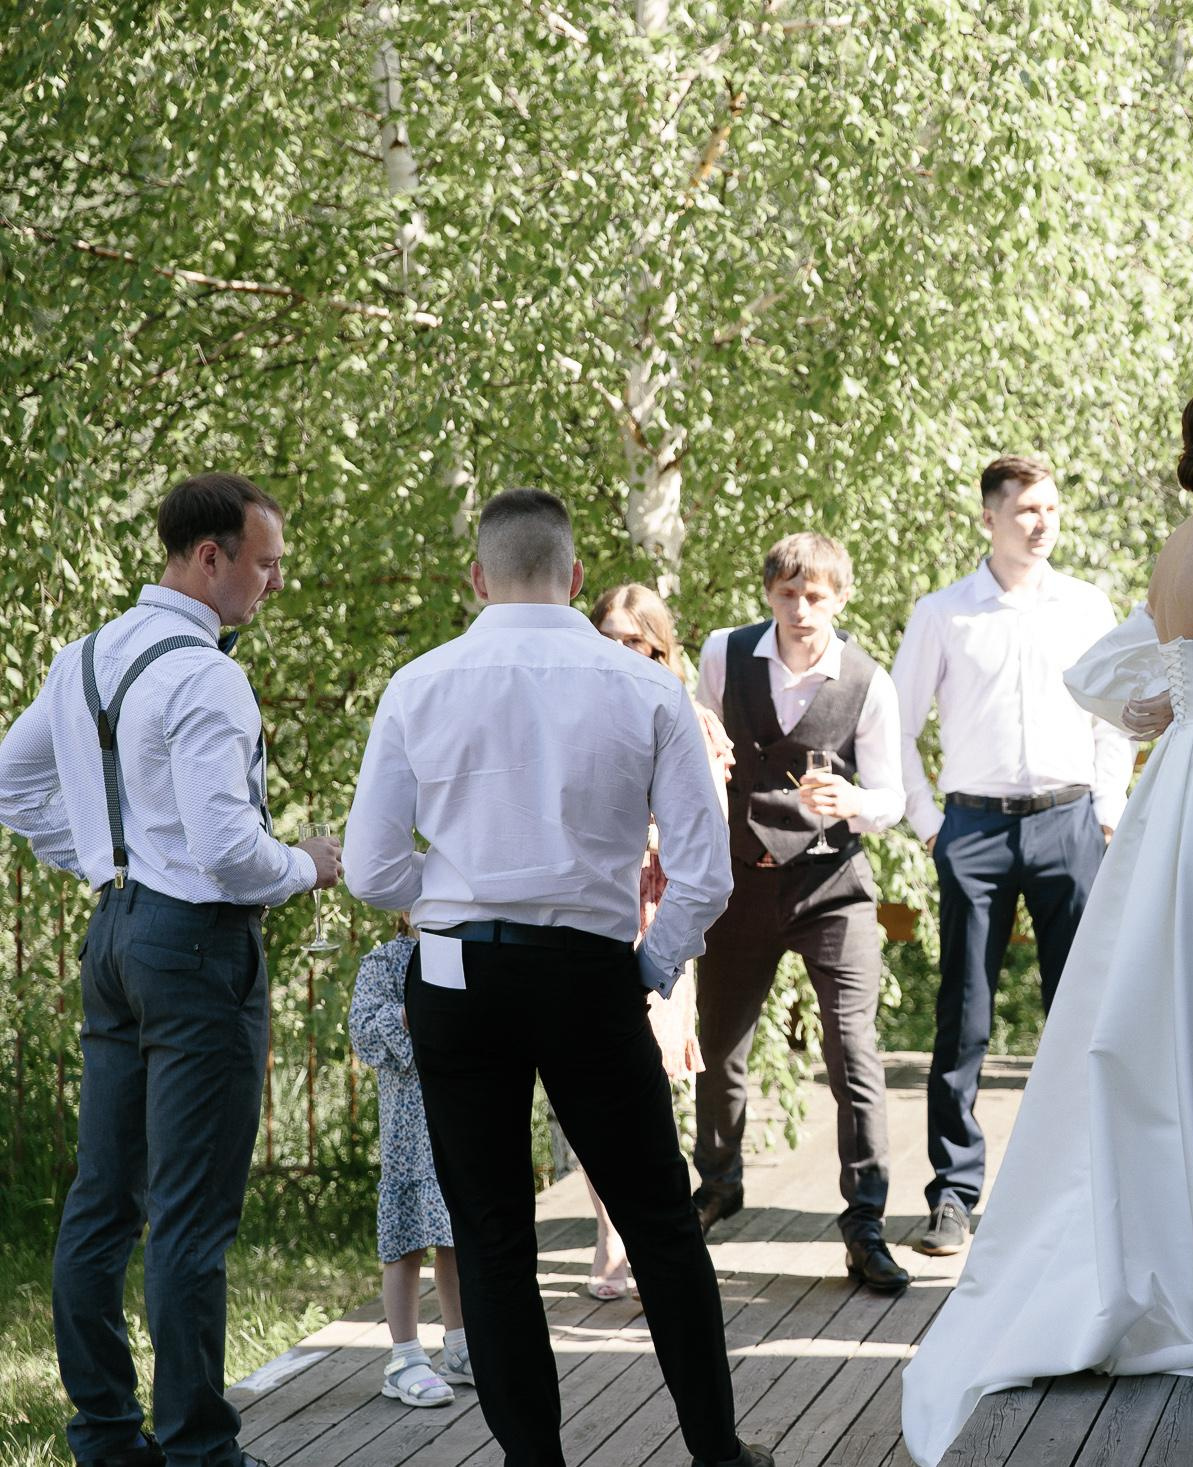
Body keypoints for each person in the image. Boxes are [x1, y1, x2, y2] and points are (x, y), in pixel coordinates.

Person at [900, 383, 1193, 1465]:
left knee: (1185, 1019)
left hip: (1184, 786)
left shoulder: (1178, 544)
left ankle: (1187, 1242)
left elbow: (1109, 680)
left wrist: (1172, 704)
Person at [346, 488, 768, 1467]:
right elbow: (705, 874)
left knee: (491, 1237)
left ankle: (533, 1462)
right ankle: (718, 1452)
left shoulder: (420, 683)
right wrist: (647, 968)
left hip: (456, 980)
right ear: (575, 578)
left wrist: (446, 899)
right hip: (589, 973)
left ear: (476, 579)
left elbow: (371, 870)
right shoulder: (646, 689)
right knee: (661, 1226)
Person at [0, 472, 341, 1467]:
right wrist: (307, 867)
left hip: (114, 939)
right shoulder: (206, 675)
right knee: (191, 1218)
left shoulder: (86, 658)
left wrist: (109, 859)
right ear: (210, 558)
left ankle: (106, 1437)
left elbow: (13, 787)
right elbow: (234, 853)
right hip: (195, 949)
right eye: (264, 562)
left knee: (103, 1201)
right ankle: (198, 1449)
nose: (272, 583)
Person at [892, 456, 1134, 1257]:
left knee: (1082, 1010)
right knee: (963, 1014)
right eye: (1026, 508)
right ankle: (954, 1194)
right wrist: (932, 827)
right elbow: (895, 728)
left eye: (1051, 507)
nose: (1042, 521)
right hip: (975, 831)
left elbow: (1113, 717)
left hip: (1070, 824)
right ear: (989, 518)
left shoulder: (1086, 604)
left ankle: (1081, 1185)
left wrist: (1104, 812)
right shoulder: (943, 613)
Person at [689, 533, 910, 1294]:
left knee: (854, 1052)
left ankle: (866, 1223)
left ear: (841, 598)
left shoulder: (868, 682)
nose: (802, 608)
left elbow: (896, 797)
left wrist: (855, 802)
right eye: (788, 593)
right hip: (739, 882)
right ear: (770, 595)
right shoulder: (723, 653)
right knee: (719, 1049)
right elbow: (693, 732)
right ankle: (717, 1182)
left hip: (831, 887)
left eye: (817, 595)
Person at [583, 583, 728, 1301]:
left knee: (647, 1078)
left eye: (635, 641)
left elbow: (710, 832)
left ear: (659, 648)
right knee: (593, 1076)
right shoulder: (572, 706)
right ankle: (608, 1240)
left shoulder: (688, 717)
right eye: (607, 635)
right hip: (590, 901)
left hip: (659, 906)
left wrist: (650, 837)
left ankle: (649, 1236)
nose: (620, 651)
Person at [348, 926, 470, 1408]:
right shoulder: (386, 962)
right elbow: (365, 1031)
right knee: (407, 1238)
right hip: (411, 1128)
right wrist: (413, 1012)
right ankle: (404, 1356)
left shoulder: (468, 952)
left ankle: (460, 1346)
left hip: (462, 1118)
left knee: (456, 1237)